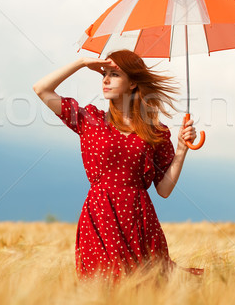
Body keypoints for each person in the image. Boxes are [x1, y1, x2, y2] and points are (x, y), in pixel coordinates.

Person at [33, 49, 203, 280]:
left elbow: (163, 189)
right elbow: (41, 89)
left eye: (114, 74)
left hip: (139, 219)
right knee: (104, 286)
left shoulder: (156, 132)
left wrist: (182, 149)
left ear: (133, 82)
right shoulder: (90, 120)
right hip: (100, 216)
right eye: (104, 73)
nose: (105, 79)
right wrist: (82, 63)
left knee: (148, 288)